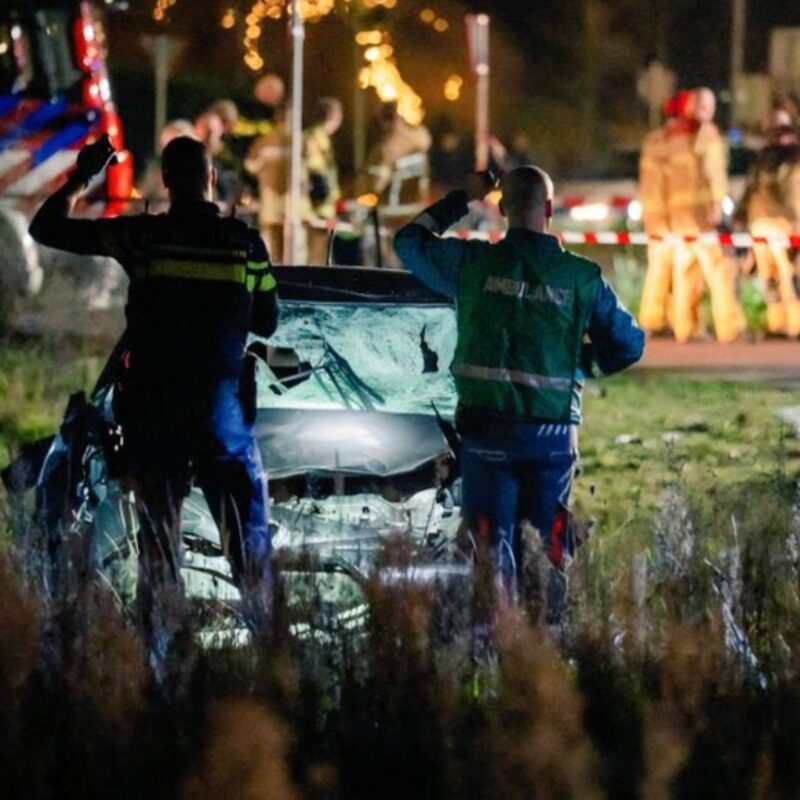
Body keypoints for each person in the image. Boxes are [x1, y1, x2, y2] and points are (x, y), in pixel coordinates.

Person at [29, 135, 278, 648]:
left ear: (165, 183)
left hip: (154, 414)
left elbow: (45, 228)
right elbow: (268, 323)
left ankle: (158, 660)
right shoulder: (247, 246)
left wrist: (83, 176)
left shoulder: (142, 238)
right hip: (221, 417)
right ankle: (274, 654)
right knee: (247, 544)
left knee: (159, 544)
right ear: (212, 180)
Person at [394, 166, 644, 617]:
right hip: (552, 440)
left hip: (487, 436)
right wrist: (578, 366)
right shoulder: (581, 277)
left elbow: (409, 243)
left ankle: (491, 641)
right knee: (545, 555)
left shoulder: (472, 264)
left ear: (503, 209)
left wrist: (462, 197)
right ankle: (543, 643)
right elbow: (629, 344)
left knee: (489, 553)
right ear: (548, 208)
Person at [665, 87, 745, 343]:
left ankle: (685, 328)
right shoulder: (707, 134)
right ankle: (729, 328)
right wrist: (718, 203)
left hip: (679, 217)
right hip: (702, 215)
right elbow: (714, 172)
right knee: (721, 269)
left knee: (685, 272)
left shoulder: (674, 136)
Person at [737, 110, 800, 337]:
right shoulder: (793, 157)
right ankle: (792, 324)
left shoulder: (762, 158)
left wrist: (740, 215)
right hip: (784, 222)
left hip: (761, 221)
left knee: (773, 276)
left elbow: (749, 190)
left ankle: (779, 324)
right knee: (787, 275)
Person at [637, 92, 686, 334]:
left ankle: (654, 320)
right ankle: (674, 321)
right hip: (671, 214)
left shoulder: (653, 140)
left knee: (659, 267)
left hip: (653, 213)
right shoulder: (675, 142)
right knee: (677, 270)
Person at [245, 106, 291, 263]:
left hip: (271, 206)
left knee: (270, 255)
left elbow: (250, 166)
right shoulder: (298, 141)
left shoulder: (265, 141)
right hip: (290, 207)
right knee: (291, 256)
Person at [303, 97, 343, 265]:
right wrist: (324, 201)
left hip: (317, 208)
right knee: (317, 258)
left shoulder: (310, 136)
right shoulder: (317, 138)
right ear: (334, 117)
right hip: (319, 209)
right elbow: (318, 174)